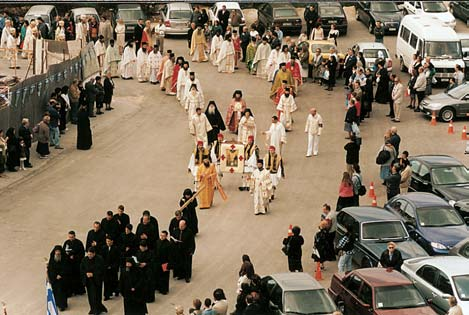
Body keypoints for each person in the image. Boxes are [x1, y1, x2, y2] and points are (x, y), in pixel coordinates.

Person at [80, 247, 108, 315]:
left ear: (94, 253)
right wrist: (86, 274)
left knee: (97, 296)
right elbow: (82, 269)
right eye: (88, 254)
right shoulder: (85, 259)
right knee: (91, 296)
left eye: (90, 254)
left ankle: (97, 310)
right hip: (89, 281)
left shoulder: (99, 259)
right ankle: (92, 309)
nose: (89, 256)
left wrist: (93, 274)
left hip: (96, 281)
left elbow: (101, 270)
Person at [63, 231, 86, 296]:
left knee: (77, 277)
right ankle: (70, 291)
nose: (71, 238)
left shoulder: (79, 243)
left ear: (75, 236)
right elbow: (64, 252)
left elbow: (82, 253)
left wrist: (75, 257)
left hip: (76, 264)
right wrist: (67, 255)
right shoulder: (66, 243)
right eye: (69, 237)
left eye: (72, 237)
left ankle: (78, 290)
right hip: (69, 264)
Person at [47, 245, 68, 311]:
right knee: (56, 292)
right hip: (55, 279)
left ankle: (63, 305)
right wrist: (55, 275)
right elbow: (51, 268)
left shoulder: (64, 258)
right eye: (56, 251)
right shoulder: (52, 258)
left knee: (62, 292)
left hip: (63, 278)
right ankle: (58, 304)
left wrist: (61, 274)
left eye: (59, 251)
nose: (57, 253)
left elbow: (66, 267)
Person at [102, 236, 120, 301]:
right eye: (107, 241)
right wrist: (105, 266)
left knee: (114, 281)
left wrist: (112, 266)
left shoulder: (116, 249)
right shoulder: (104, 248)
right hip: (106, 268)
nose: (108, 243)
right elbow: (102, 258)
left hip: (113, 269)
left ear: (112, 241)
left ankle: (116, 291)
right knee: (106, 282)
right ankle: (107, 295)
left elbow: (117, 259)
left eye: (109, 241)